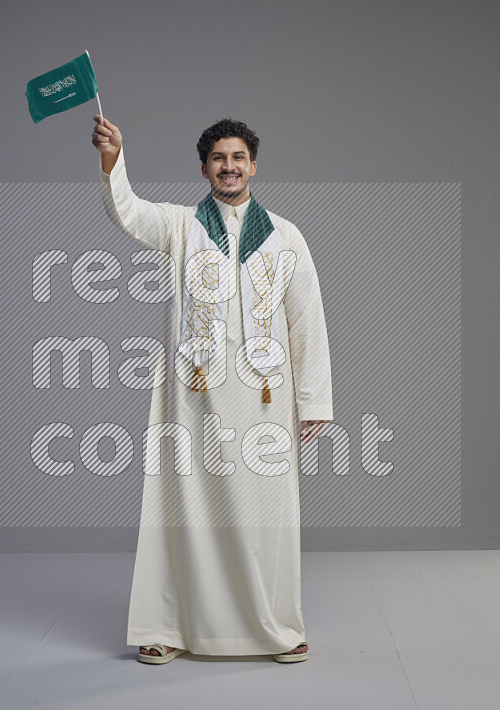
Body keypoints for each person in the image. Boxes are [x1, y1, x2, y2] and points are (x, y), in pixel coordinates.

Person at [91, 115, 334, 663]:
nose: (229, 166)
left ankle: (275, 626)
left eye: (238, 157)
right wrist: (113, 159)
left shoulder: (285, 236)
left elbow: (306, 319)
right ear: (204, 168)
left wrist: (313, 400)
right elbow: (128, 213)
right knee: (185, 511)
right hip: (194, 396)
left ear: (253, 166)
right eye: (219, 158)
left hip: (264, 399)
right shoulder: (181, 226)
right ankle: (171, 627)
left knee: (265, 514)